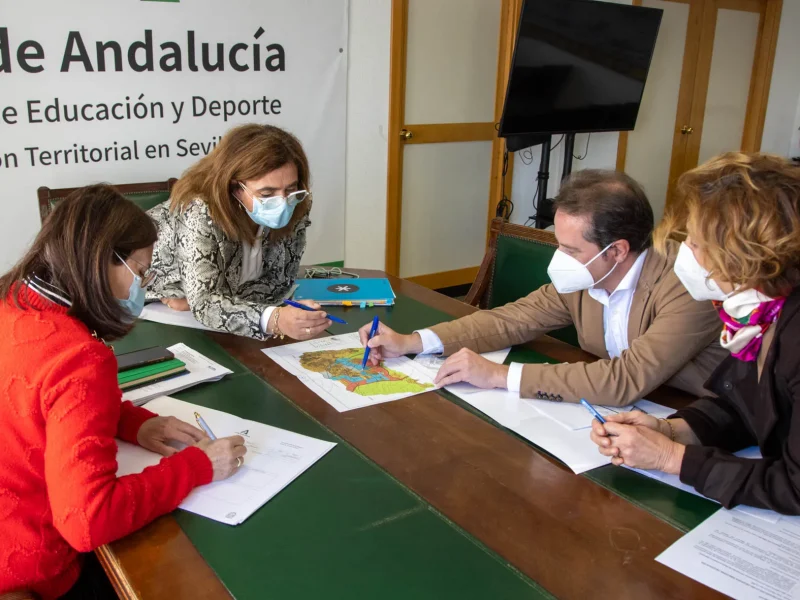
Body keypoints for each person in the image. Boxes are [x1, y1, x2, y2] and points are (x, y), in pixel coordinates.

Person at [0, 185, 246, 599]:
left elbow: (39, 404)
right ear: (102, 261)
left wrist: (132, 422)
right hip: (30, 569)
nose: (142, 286)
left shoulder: (12, 300)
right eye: (140, 271)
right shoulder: (78, 356)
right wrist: (198, 466)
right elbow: (87, 521)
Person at [360, 169, 726, 406]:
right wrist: (412, 342)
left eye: (571, 249)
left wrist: (499, 375)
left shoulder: (689, 285)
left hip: (700, 416)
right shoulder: (587, 274)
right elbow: (511, 320)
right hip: (626, 410)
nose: (560, 258)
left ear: (616, 251)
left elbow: (625, 379)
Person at [590, 153, 800, 513]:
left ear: (743, 253)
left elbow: (793, 487)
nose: (685, 251)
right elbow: (745, 408)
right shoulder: (761, 312)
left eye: (697, 242)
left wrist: (671, 458)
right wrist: (671, 430)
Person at [148, 123, 331, 340]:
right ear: (234, 187)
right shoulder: (201, 210)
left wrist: (278, 313)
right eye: (267, 194)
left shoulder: (297, 202)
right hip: (141, 304)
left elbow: (279, 284)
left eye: (290, 189)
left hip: (207, 311)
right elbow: (205, 304)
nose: (282, 203)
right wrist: (275, 319)